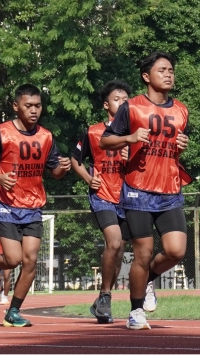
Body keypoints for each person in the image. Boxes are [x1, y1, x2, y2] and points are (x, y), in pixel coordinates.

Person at [100, 52, 192, 330]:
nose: (168, 74)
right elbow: (106, 141)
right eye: (162, 69)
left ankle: (146, 280)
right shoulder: (132, 107)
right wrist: (129, 137)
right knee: (142, 253)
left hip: (170, 190)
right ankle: (136, 311)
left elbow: (174, 144)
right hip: (138, 191)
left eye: (171, 70)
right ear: (146, 76)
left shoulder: (182, 110)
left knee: (176, 251)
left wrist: (182, 144)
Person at [0, 84, 71, 327]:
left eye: (37, 105)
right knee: (14, 258)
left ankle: (13, 312)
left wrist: (63, 168)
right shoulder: (1, 132)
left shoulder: (46, 136)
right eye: (28, 106)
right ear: (16, 106)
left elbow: (55, 171)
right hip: (5, 204)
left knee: (30, 261)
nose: (34, 110)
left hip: (33, 205)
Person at [71, 80, 133, 324]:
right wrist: (88, 178)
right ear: (106, 104)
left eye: (127, 99)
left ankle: (100, 300)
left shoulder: (136, 133)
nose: (123, 102)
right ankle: (106, 297)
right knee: (114, 242)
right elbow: (75, 159)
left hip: (128, 198)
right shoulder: (93, 131)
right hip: (103, 195)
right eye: (118, 99)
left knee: (119, 253)